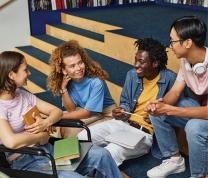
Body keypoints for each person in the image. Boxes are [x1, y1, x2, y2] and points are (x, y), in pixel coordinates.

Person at [0, 51, 123, 178]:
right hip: (26, 159)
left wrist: (46, 123)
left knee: (102, 155)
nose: (29, 73)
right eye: (26, 70)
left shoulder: (24, 95)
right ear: (11, 75)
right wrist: (42, 135)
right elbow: (11, 142)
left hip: (49, 149)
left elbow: (56, 111)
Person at [78, 38, 179, 166]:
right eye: (136, 59)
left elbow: (178, 111)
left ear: (155, 63)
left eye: (141, 62)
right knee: (82, 137)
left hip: (144, 134)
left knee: (110, 152)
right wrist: (121, 111)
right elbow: (125, 101)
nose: (136, 65)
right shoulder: (132, 75)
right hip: (122, 123)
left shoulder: (171, 79)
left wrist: (160, 116)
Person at [145, 16, 208, 178]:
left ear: (187, 43)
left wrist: (172, 110)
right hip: (200, 110)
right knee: (159, 111)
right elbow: (175, 92)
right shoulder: (185, 61)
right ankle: (174, 160)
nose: (170, 46)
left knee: (194, 128)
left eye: (172, 41)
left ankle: (199, 175)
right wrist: (161, 105)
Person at [48, 40, 116, 137]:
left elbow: (87, 113)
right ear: (64, 70)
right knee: (59, 125)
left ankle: (70, 151)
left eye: (80, 63)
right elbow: (71, 109)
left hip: (105, 115)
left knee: (68, 129)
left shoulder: (96, 82)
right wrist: (63, 88)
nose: (78, 68)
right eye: (72, 66)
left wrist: (55, 118)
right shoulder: (69, 81)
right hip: (87, 112)